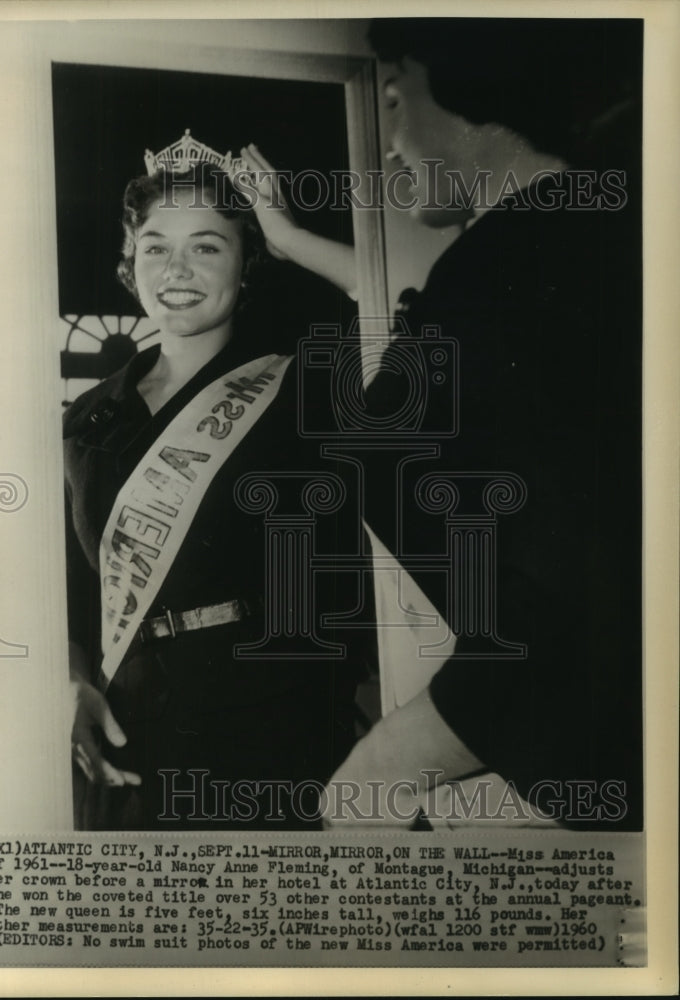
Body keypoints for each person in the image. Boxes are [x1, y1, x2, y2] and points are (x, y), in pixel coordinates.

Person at [239, 16, 643, 830]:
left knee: (354, 814)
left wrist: (414, 747)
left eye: (395, 100)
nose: (389, 141)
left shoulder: (522, 268)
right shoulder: (535, 255)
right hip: (558, 721)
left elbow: (588, 567)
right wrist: (284, 236)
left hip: (559, 707)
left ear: (474, 88)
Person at [64, 161, 372, 831]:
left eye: (206, 246)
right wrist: (73, 679)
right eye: (155, 247)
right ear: (130, 262)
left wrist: (293, 237)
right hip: (126, 732)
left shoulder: (307, 386)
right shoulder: (88, 416)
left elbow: (411, 304)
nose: (176, 269)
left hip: (264, 730)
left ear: (248, 263)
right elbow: (63, 583)